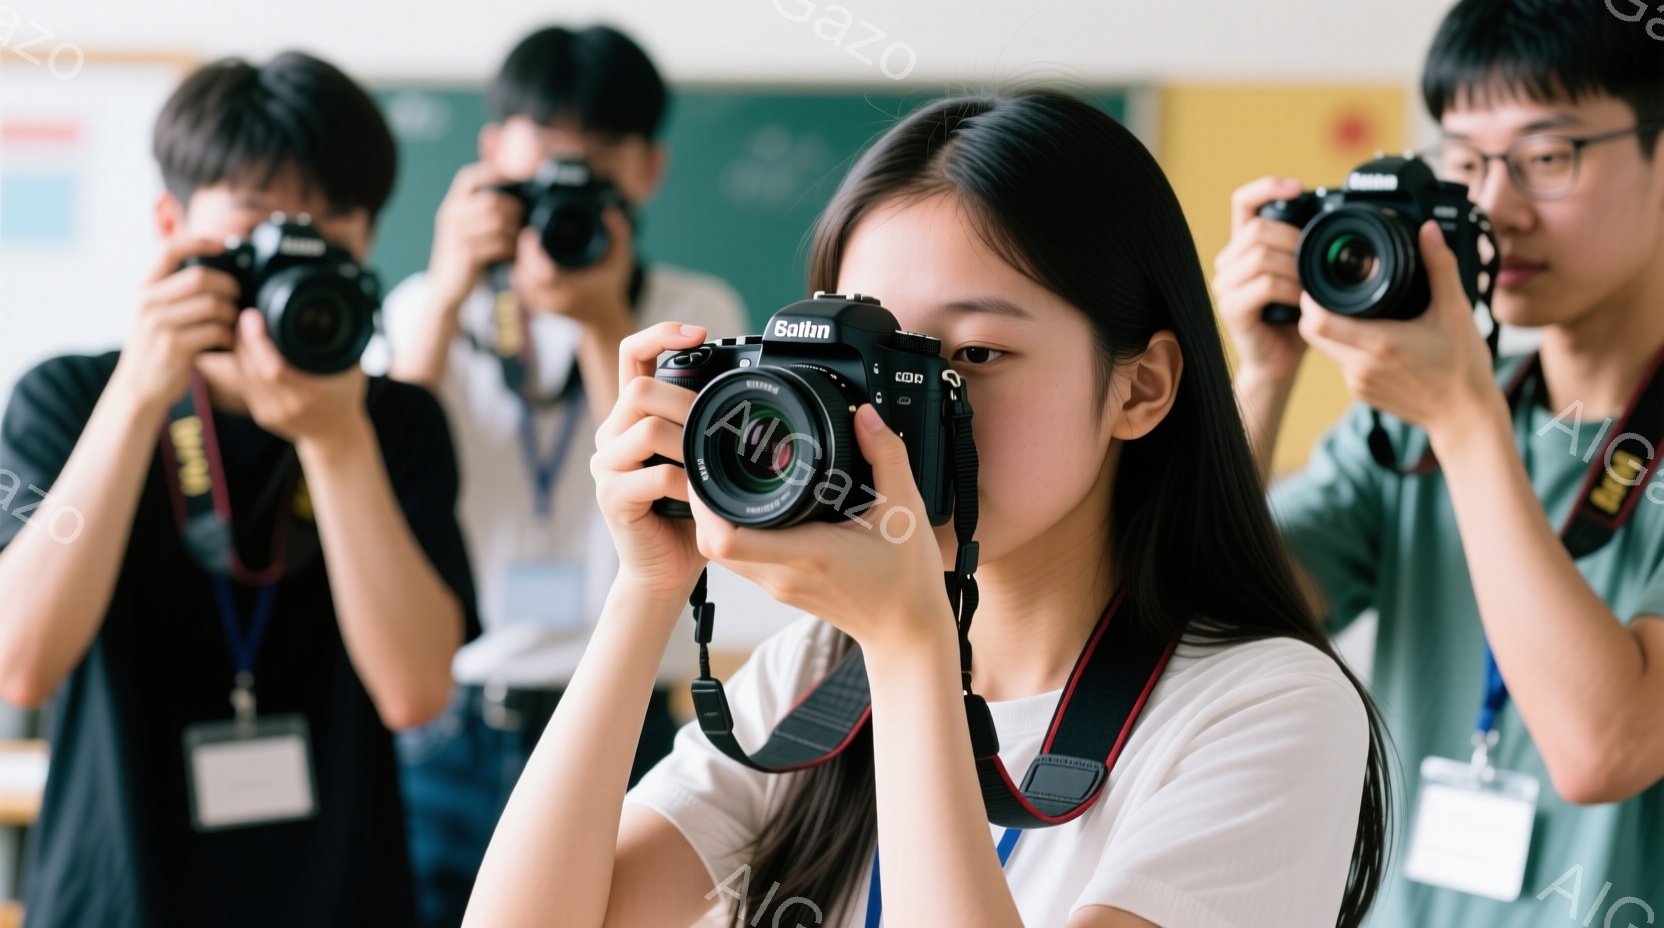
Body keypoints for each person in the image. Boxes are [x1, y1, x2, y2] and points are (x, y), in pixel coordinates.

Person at [463, 90, 1393, 928]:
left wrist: (915, 649)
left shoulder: (1265, 708)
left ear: (1140, 388)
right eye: (870, 363)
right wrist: (648, 587)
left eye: (974, 356)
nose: (897, 419)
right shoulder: (821, 675)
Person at [0, 52, 478, 925]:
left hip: (340, 898)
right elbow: (20, 664)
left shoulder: (397, 420)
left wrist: (334, 440)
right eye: (257, 219)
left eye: (335, 220)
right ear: (172, 221)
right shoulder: (67, 398)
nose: (298, 249)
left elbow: (414, 692)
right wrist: (142, 392)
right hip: (114, 896)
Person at [1213, 0, 1664, 922]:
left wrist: (1464, 417)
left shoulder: (1448, 410)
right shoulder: (1415, 425)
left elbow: (1603, 746)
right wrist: (1259, 383)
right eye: (1465, 162)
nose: (1496, 207)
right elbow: (1205, 622)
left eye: (1548, 157)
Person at [374, 24, 747, 927]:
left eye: (604, 153)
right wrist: (451, 285)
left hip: (617, 710)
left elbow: (672, 477)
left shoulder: (692, 313)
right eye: (548, 150)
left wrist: (598, 319)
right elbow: (389, 462)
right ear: (494, 151)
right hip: (449, 722)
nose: (574, 178)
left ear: (648, 170)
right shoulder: (426, 306)